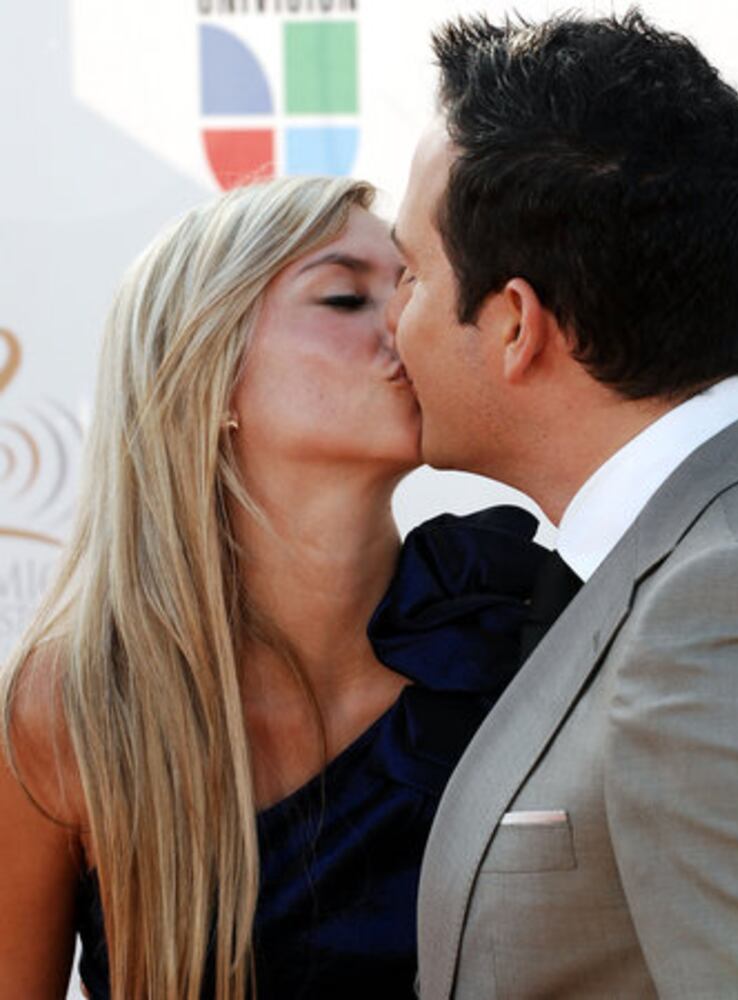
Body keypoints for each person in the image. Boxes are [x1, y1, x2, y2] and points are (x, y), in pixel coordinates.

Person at [0, 175, 549, 999]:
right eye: (344, 298)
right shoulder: (69, 710)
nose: (405, 321)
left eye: (411, 286)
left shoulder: (519, 633)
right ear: (210, 371)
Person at [387, 11, 738, 999]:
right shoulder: (724, 551)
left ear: (514, 325)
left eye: (409, 275)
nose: (391, 323)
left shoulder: (732, 602)